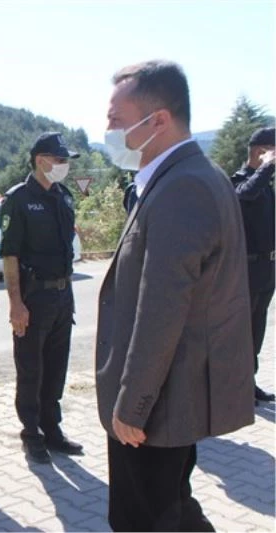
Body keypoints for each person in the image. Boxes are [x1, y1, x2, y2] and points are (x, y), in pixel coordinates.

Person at [95, 60, 254, 531]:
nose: (107, 131)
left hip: (158, 405)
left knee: (143, 519)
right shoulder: (186, 178)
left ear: (158, 121)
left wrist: (132, 405)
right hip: (168, 398)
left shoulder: (183, 187)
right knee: (173, 509)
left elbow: (161, 308)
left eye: (116, 121)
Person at [0, 132, 84, 464]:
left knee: (56, 368)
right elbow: (10, 256)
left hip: (63, 296)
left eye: (65, 161)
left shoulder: (63, 197)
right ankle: (31, 433)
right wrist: (15, 304)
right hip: (33, 299)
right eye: (59, 159)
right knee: (31, 369)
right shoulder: (19, 199)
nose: (63, 165)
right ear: (40, 160)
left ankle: (53, 430)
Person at [230, 127, 275, 404]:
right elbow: (243, 196)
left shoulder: (265, 185)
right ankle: (236, 387)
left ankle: (250, 381)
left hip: (267, 270)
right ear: (261, 151)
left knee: (256, 332)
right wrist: (266, 168)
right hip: (246, 271)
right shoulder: (240, 181)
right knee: (241, 333)